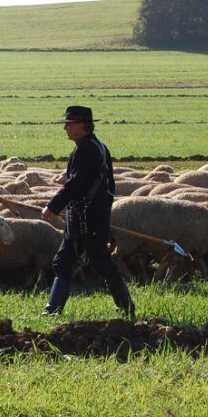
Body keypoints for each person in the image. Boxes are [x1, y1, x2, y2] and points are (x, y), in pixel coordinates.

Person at [40, 105, 135, 319]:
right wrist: (101, 210)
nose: (65, 127)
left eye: (69, 123)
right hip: (86, 216)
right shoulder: (98, 146)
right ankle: (52, 311)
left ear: (81, 125)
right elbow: (109, 185)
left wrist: (52, 206)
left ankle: (127, 307)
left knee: (101, 261)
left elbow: (75, 184)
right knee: (63, 262)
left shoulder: (86, 149)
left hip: (86, 219)